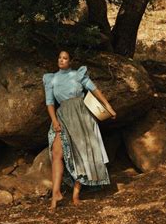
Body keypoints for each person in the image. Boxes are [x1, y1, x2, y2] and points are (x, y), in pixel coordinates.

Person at [43, 50, 117, 210]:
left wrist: (108, 106)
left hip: (82, 116)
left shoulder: (78, 74)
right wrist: (54, 121)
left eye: (65, 58)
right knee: (57, 152)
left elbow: (94, 89)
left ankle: (76, 194)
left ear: (70, 61)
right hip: (63, 116)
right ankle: (56, 192)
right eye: (59, 57)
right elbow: (49, 103)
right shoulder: (51, 79)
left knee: (83, 154)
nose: (61, 60)